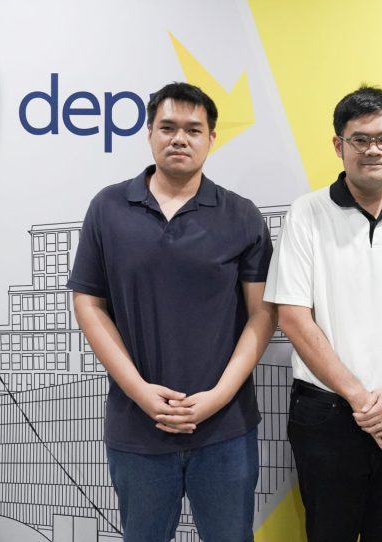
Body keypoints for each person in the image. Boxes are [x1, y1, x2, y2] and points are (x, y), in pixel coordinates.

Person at [68, 82, 276, 542]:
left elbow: (263, 315)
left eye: (193, 130)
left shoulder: (241, 215)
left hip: (224, 429)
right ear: (149, 133)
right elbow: (88, 303)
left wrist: (218, 396)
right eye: (167, 127)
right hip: (138, 427)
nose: (179, 138)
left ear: (212, 138)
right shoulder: (108, 208)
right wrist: (140, 392)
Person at [265, 85, 382, 542]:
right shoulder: (307, 213)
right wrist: (361, 401)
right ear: (339, 145)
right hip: (327, 413)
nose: (374, 149)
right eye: (360, 139)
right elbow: (292, 316)